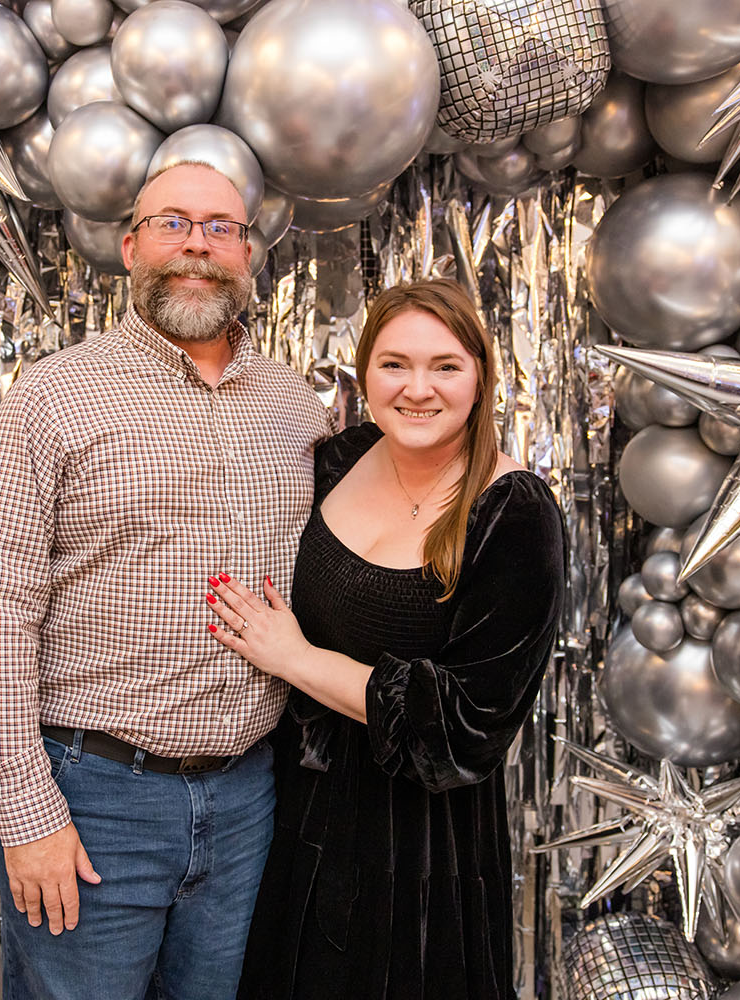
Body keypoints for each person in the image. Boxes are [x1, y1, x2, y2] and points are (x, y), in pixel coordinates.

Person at [0, 161, 331, 1000]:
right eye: (172, 223)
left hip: (248, 801)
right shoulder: (56, 395)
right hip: (91, 800)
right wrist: (27, 807)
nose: (197, 245)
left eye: (221, 227)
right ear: (129, 248)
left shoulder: (294, 407)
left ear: (249, 254)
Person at [207, 279, 567, 999]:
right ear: (365, 371)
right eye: (395, 363)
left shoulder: (514, 513)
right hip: (295, 815)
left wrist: (296, 659)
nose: (417, 389)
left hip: (420, 851)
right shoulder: (341, 457)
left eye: (445, 366)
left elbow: (467, 728)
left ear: (480, 378)